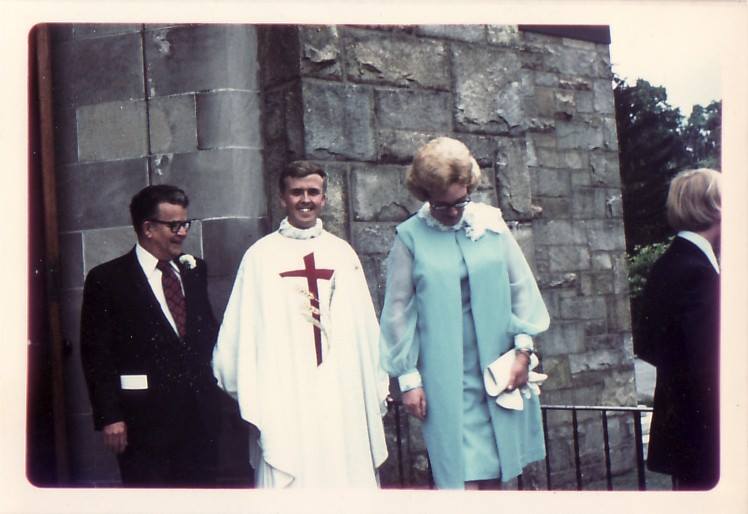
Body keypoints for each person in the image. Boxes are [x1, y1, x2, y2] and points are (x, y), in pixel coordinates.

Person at [379, 137, 550, 489]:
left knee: (499, 468)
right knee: (460, 475)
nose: (454, 212)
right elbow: (398, 311)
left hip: (498, 368)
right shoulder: (410, 237)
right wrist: (408, 379)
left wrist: (523, 350)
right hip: (444, 377)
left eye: (461, 201)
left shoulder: (492, 224)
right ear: (425, 195)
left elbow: (520, 287)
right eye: (442, 205)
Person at [212, 161, 389, 488]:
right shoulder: (261, 257)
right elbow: (240, 335)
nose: (305, 200)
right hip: (284, 391)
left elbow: (364, 331)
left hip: (340, 391)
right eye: (297, 192)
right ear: (283, 198)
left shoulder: (342, 254)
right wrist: (257, 393)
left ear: (324, 198)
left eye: (313, 192)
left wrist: (374, 381)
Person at [80, 184, 220, 487]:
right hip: (143, 422)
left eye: (186, 223)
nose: (183, 232)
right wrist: (110, 417)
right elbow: (97, 354)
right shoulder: (108, 279)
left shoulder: (194, 270)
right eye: (174, 225)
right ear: (148, 228)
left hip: (198, 418)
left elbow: (206, 334)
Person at [636, 168, 721, 490]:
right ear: (715, 208)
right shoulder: (698, 272)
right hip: (708, 432)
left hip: (685, 429)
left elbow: (646, 343)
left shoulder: (668, 264)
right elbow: (709, 362)